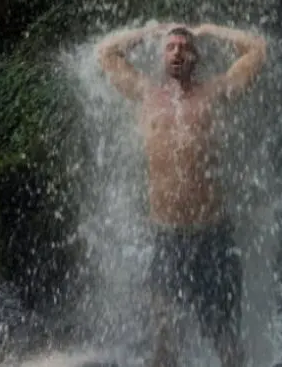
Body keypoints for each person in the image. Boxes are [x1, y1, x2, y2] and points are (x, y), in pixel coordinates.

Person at [96, 22, 267, 367]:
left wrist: (211, 30)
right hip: (167, 237)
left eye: (184, 48)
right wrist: (148, 32)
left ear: (196, 57)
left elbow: (258, 50)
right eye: (170, 47)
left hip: (213, 235)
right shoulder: (145, 94)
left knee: (227, 341)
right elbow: (106, 53)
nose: (177, 53)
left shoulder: (216, 92)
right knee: (163, 342)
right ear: (161, 55)